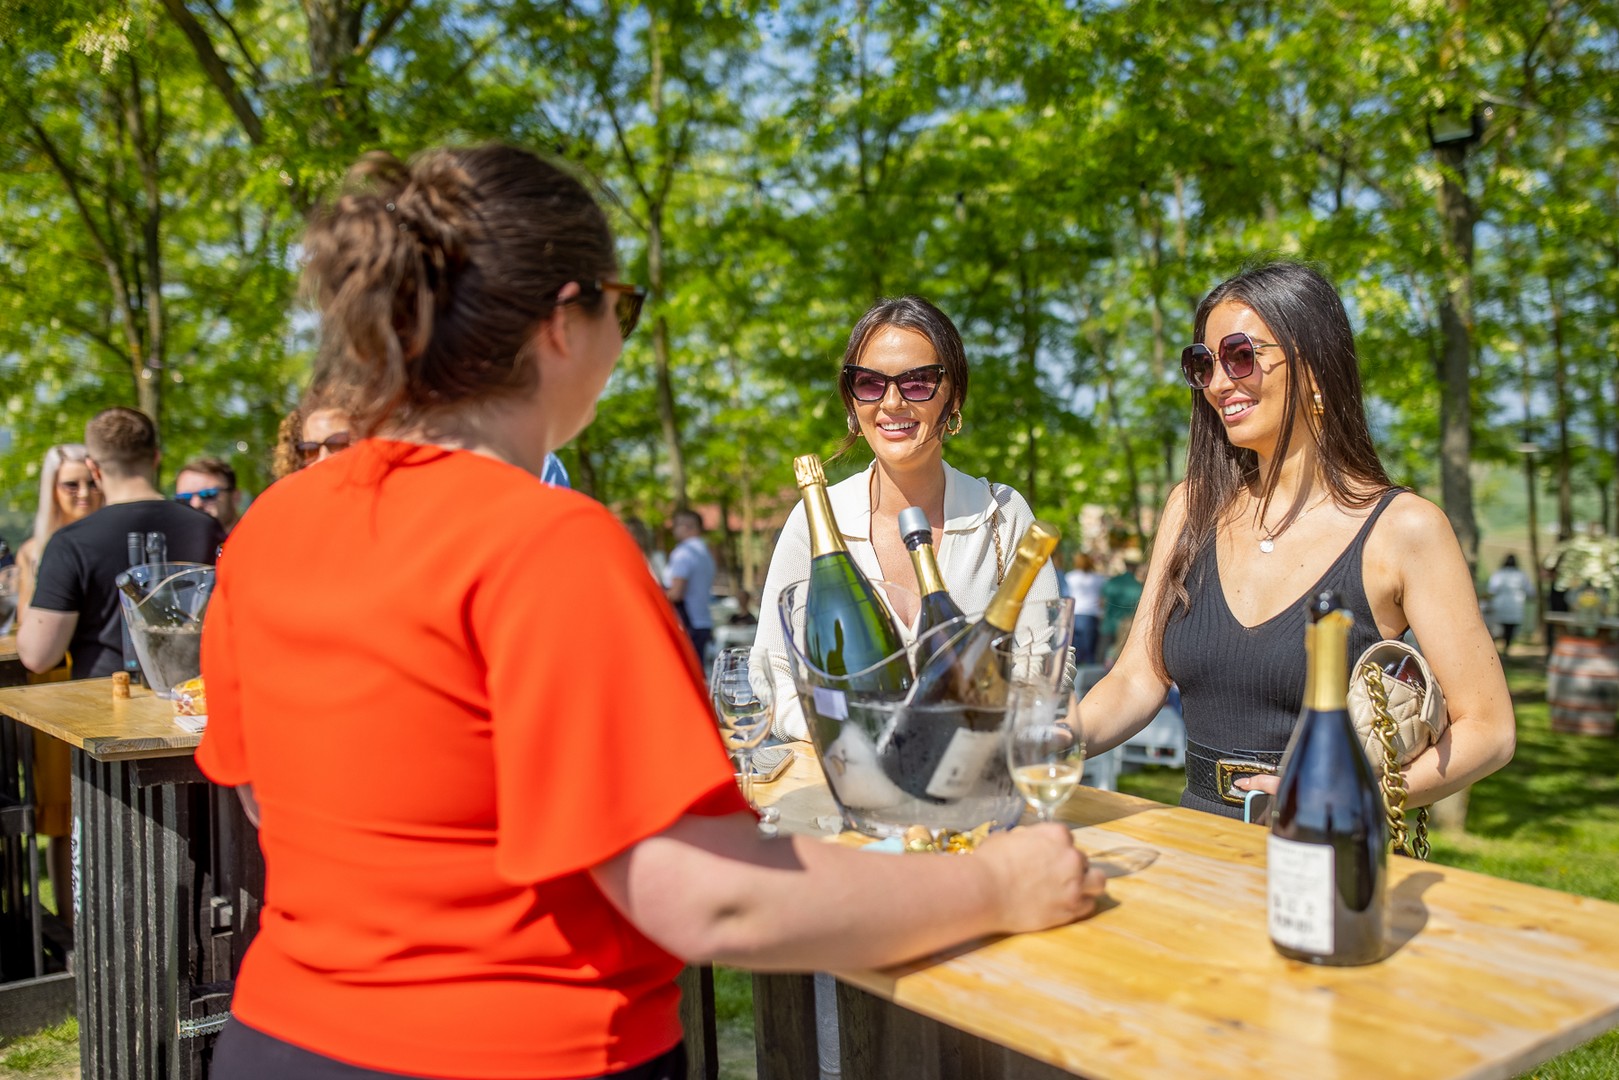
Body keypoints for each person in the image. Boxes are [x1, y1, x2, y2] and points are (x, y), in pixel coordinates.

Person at [194, 144, 1103, 1080]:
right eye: (621, 308)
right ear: (562, 323)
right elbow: (708, 900)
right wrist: (995, 883)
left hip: (279, 1042)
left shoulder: (269, 529)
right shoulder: (547, 543)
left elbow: (273, 804)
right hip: (524, 1055)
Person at [1076, 260, 1514, 820]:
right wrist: (1052, 740)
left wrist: (1345, 799)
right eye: (1202, 364)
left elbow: (1488, 729)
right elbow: (1138, 677)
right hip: (1196, 845)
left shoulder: (1405, 528)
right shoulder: (1191, 506)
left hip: (1328, 852)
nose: (1217, 382)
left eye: (1240, 355)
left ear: (1314, 367)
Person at [755, 295, 1059, 740]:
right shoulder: (816, 521)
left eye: (918, 382)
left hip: (969, 789)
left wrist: (977, 730)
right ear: (852, 400)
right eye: (869, 382)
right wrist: (843, 731)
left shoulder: (1002, 515)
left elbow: (1046, 664)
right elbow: (772, 668)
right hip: (846, 789)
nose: (892, 402)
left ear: (953, 396)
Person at [17, 408, 224, 679]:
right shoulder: (206, 528)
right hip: (192, 699)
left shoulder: (71, 542)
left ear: (94, 468)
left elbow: (38, 656)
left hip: (103, 702)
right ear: (156, 458)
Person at [11, 443, 106, 926]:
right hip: (53, 687)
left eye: (90, 481)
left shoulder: (104, 538)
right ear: (53, 489)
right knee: (61, 814)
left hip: (101, 686)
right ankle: (71, 927)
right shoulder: (35, 551)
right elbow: (30, 631)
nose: (84, 493)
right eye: (71, 484)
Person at [665, 508, 717, 661]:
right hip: (703, 620)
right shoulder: (705, 553)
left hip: (687, 623)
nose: (673, 529)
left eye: (676, 525)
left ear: (688, 526)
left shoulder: (683, 553)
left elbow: (676, 593)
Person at [1097, 552, 1144, 665]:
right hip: (1127, 630)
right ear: (1136, 566)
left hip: (1108, 626)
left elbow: (1101, 603)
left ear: (1125, 564)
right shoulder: (1139, 587)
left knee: (1100, 664)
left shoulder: (1112, 582)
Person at [174, 457, 243, 534]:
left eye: (208, 494)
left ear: (235, 497)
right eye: (184, 498)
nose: (195, 504)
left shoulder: (255, 540)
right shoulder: (170, 543)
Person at [1065, 552, 1107, 666]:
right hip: (1091, 614)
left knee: (1074, 651)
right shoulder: (1098, 578)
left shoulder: (1070, 577)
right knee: (1090, 651)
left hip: (1076, 613)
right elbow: (1102, 598)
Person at [1486, 554, 1532, 655]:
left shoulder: (1499, 574)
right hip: (1515, 606)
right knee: (1510, 628)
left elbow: (1492, 590)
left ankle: (1496, 649)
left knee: (1499, 627)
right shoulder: (1521, 575)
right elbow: (1530, 591)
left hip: (1500, 605)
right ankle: (1506, 647)